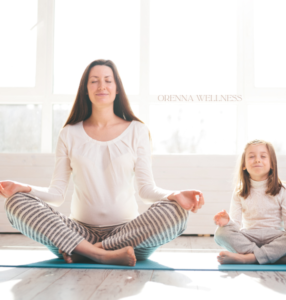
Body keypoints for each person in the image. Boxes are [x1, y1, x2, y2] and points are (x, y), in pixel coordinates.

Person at [1, 59, 204, 267]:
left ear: (117, 89)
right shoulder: (69, 133)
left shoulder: (137, 130)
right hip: (78, 233)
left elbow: (146, 190)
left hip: (128, 235)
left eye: (108, 80)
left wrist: (175, 195)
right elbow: (56, 194)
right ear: (85, 90)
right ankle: (99, 253)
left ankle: (87, 252)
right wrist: (22, 188)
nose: (101, 86)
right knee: (16, 202)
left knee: (177, 211)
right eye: (94, 81)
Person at [213, 139, 286, 265]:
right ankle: (277, 257)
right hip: (248, 238)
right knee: (220, 233)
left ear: (272, 164)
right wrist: (227, 222)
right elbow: (236, 225)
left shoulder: (283, 189)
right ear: (244, 164)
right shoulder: (239, 191)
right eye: (252, 156)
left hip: (275, 237)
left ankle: (249, 258)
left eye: (263, 156)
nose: (257, 160)